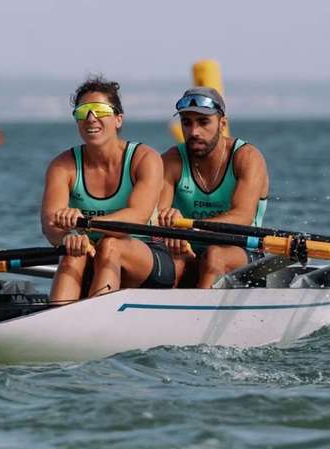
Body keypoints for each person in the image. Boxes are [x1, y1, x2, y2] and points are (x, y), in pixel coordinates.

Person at [40, 76, 172, 303]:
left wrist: (83, 226)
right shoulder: (62, 166)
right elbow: (50, 227)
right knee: (73, 252)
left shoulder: (145, 159)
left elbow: (137, 217)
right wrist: (68, 237)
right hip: (93, 253)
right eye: (83, 112)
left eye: (100, 110)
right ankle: (54, 321)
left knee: (110, 245)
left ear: (118, 119)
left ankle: (94, 324)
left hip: (148, 258)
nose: (91, 118)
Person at [157, 87, 269, 288]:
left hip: (241, 250)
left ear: (222, 124)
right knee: (171, 262)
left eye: (203, 122)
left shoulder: (247, 158)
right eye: (186, 123)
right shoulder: (171, 161)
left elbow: (242, 218)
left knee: (215, 255)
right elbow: (157, 217)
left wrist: (186, 227)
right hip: (188, 248)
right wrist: (168, 228)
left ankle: (196, 317)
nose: (194, 132)